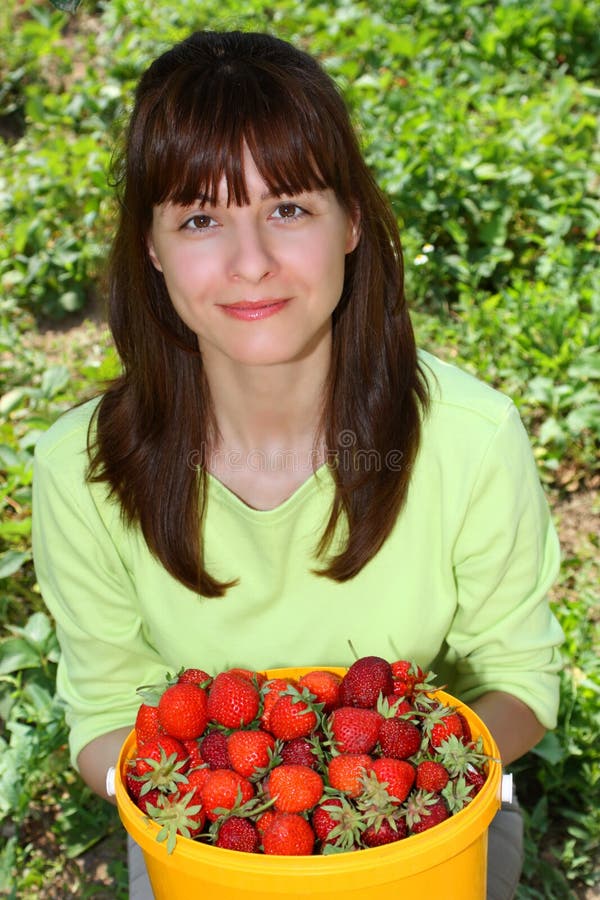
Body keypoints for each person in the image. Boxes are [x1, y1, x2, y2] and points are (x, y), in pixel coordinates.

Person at [32, 29, 563, 900]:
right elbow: (102, 714)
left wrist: (393, 800)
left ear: (352, 220)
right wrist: (228, 830)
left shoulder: (470, 437)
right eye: (201, 217)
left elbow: (521, 683)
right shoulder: (79, 470)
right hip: (207, 838)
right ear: (153, 247)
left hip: (419, 828)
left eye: (288, 207)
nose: (250, 263)